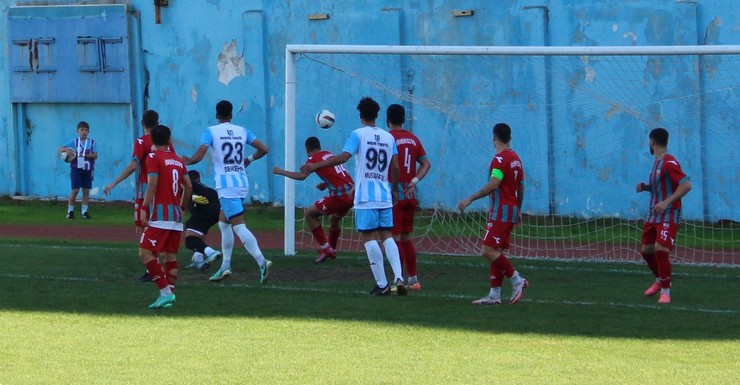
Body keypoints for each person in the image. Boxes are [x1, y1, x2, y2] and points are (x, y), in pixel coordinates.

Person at [301, 97, 407, 296]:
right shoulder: (388, 137)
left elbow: (343, 157)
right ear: (377, 115)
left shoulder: (357, 134)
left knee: (369, 238)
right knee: (387, 236)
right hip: (384, 195)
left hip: (366, 196)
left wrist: (315, 165)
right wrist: (393, 189)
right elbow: (395, 167)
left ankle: (382, 285)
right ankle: (399, 277)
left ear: (361, 116)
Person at [183, 100, 272, 283]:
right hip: (241, 182)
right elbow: (264, 149)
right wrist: (249, 158)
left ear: (217, 115)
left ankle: (262, 262)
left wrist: (189, 161)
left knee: (239, 226)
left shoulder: (211, 131)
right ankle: (225, 266)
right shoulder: (242, 131)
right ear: (231, 114)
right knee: (224, 224)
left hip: (226, 186)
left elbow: (200, 155)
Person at [458, 123, 528, 305]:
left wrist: (471, 198)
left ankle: (517, 280)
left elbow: (494, 183)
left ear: (494, 138)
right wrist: (518, 209)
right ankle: (494, 295)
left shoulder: (499, 160)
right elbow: (520, 186)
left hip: (501, 211)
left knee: (487, 250)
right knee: (496, 251)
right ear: (510, 138)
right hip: (511, 209)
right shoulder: (516, 159)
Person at [104, 110, 175, 283]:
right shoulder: (167, 141)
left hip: (146, 189)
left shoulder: (141, 142)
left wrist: (114, 182)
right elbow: (173, 160)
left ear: (142, 122)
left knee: (144, 227)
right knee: (162, 225)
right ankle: (165, 268)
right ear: (158, 123)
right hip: (166, 191)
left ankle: (153, 269)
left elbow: (133, 165)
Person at [273, 137, 354, 263]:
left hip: (339, 196)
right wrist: (326, 184)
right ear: (319, 146)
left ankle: (326, 248)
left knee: (309, 214)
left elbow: (301, 176)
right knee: (333, 220)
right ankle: (331, 250)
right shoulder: (328, 154)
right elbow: (338, 175)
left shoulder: (312, 160)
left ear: (307, 149)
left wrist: (280, 171)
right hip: (351, 193)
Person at [635, 128, 692, 304]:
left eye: (649, 141)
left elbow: (686, 186)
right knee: (646, 251)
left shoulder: (669, 162)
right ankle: (660, 280)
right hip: (654, 214)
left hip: (669, 214)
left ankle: (666, 292)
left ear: (652, 142)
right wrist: (646, 188)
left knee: (661, 249)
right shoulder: (656, 163)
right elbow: (661, 187)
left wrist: (666, 202)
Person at [138, 124, 192, 309]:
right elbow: (189, 186)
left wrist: (144, 207)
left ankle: (165, 293)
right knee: (170, 257)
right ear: (169, 140)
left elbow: (152, 183)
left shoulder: (153, 157)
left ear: (152, 140)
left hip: (161, 216)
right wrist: (182, 206)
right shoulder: (178, 160)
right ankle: (168, 296)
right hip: (176, 216)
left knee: (145, 253)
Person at [387, 104, 431, 290]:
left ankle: (399, 279)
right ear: (404, 119)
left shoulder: (388, 138)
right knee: (405, 238)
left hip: (394, 194)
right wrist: (414, 180)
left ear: (387, 120)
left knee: (394, 238)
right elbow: (426, 164)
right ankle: (414, 280)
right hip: (409, 193)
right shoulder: (413, 139)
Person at [183, 170, 223, 271]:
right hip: (218, 208)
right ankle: (198, 259)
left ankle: (211, 253)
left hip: (208, 208)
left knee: (190, 240)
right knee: (192, 227)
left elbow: (186, 190)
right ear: (197, 179)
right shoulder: (203, 187)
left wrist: (191, 197)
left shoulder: (186, 184)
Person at [59, 121, 97, 219]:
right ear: (78, 131)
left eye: (86, 130)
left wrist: (84, 155)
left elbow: (95, 155)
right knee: (75, 190)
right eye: (82, 130)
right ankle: (70, 211)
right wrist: (67, 150)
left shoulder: (92, 142)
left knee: (86, 191)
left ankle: (84, 212)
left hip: (87, 169)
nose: (84, 132)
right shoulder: (74, 142)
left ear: (88, 131)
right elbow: (61, 148)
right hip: (76, 169)